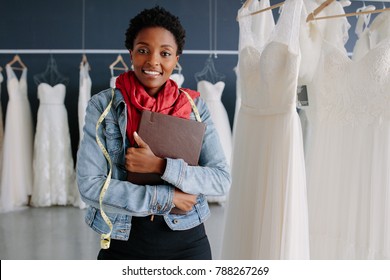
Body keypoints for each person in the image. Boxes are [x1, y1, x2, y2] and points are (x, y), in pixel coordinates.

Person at [76, 6, 231, 260]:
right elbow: (89, 187)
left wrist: (160, 165)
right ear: (131, 53)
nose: (153, 61)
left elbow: (220, 179)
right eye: (143, 50)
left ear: (177, 58)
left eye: (165, 53)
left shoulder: (194, 106)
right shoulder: (102, 107)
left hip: (188, 244)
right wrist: (167, 198)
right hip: (123, 244)